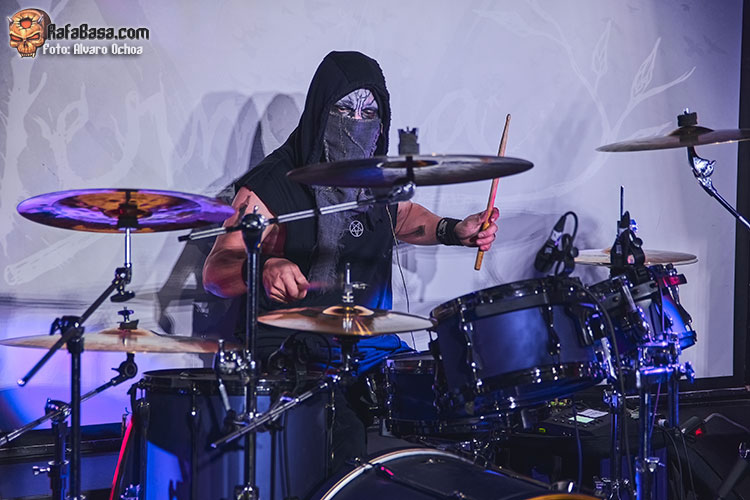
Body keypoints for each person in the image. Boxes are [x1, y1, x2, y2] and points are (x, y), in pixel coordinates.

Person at [202, 50, 498, 474]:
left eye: (369, 112)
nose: (357, 122)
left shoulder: (375, 176)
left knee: (462, 395)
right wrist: (262, 268)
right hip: (293, 356)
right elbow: (217, 271)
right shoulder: (270, 185)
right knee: (343, 450)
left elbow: (401, 217)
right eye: (344, 109)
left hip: (368, 345)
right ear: (320, 111)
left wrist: (453, 230)